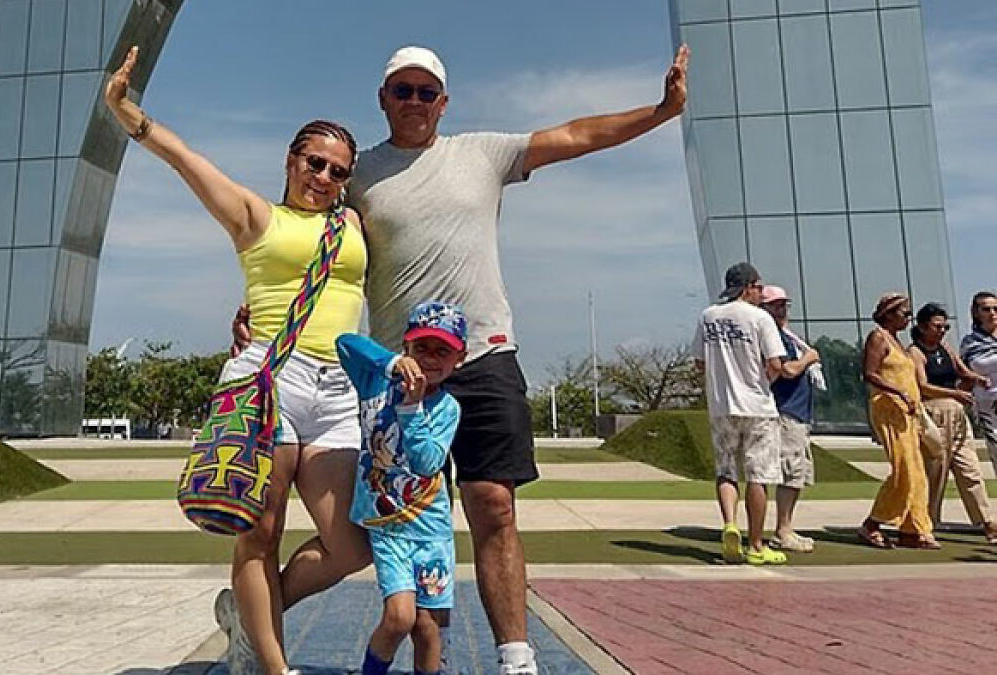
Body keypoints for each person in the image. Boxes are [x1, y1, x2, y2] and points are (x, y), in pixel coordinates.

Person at [249, 43, 687, 674]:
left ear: (444, 102)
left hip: (483, 357)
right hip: (399, 376)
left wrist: (661, 111)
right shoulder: (358, 175)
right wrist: (257, 321)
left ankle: (515, 656)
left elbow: (574, 135)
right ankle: (258, 614)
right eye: (403, 91)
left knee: (494, 505)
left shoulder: (481, 152)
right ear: (383, 99)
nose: (416, 102)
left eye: (427, 92)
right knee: (393, 523)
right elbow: (300, 241)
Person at [104, 48, 373, 674]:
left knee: (351, 548)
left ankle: (248, 615)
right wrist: (126, 112)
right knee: (260, 531)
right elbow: (186, 162)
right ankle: (271, 666)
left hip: (339, 393)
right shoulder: (257, 216)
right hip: (268, 380)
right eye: (315, 163)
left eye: (338, 171)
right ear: (290, 160)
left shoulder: (354, 222)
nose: (325, 179)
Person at [337, 302, 466, 675]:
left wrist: (412, 407)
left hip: (430, 531)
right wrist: (390, 364)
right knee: (398, 618)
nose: (430, 358)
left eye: (443, 350)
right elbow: (345, 343)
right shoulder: (375, 382)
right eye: (421, 348)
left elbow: (427, 463)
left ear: (460, 358)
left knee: (427, 628)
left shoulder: (447, 408)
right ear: (405, 348)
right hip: (388, 526)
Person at [692, 263, 788, 565]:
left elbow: (699, 363)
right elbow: (775, 364)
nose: (761, 293)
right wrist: (762, 381)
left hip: (721, 406)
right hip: (757, 406)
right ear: (748, 287)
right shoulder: (760, 318)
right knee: (758, 476)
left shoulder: (708, 316)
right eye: (759, 287)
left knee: (726, 471)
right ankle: (756, 544)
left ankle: (730, 524)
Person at [908, 302, 996, 542]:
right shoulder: (915, 352)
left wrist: (977, 378)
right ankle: (925, 522)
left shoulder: (945, 347)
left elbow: (961, 369)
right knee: (934, 472)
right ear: (924, 327)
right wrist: (954, 394)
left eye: (945, 326)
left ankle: (987, 521)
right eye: (937, 326)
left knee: (970, 469)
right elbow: (922, 386)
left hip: (957, 414)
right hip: (933, 413)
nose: (942, 331)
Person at [858, 293, 939, 550]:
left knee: (916, 471)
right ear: (889, 314)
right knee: (903, 471)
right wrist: (899, 392)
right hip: (889, 411)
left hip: (908, 415)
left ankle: (912, 528)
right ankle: (872, 523)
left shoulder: (899, 342)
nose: (908, 318)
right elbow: (870, 373)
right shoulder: (878, 338)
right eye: (904, 313)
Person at [758, 286, 821, 553]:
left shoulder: (786, 335)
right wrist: (809, 358)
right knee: (790, 471)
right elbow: (787, 370)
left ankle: (785, 527)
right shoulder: (773, 337)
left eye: (784, 305)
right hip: (785, 410)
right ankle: (782, 530)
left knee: (797, 472)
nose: (781, 310)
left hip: (797, 411)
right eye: (775, 305)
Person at [960, 292, 997, 478]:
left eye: (995, 308)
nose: (992, 313)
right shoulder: (970, 343)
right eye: (986, 309)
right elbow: (963, 373)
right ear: (976, 313)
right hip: (988, 408)